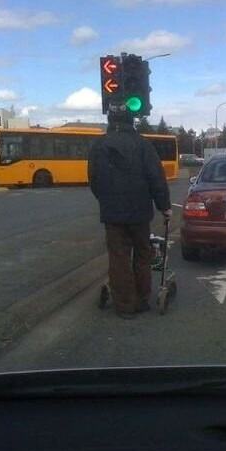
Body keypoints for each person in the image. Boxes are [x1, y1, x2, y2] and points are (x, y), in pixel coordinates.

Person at [88, 105, 172, 319]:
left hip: (112, 213)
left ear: (110, 121)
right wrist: (165, 207)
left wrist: (106, 200)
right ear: (131, 121)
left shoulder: (99, 146)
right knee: (142, 255)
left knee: (118, 257)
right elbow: (156, 178)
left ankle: (124, 305)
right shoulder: (143, 145)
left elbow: (94, 180)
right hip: (140, 212)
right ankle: (142, 299)